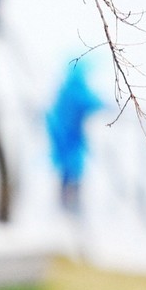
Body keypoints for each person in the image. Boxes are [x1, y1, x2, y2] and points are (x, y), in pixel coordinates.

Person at [45, 58, 104, 216]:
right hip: (71, 141)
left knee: (66, 173)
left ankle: (65, 208)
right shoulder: (76, 90)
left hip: (63, 139)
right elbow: (93, 102)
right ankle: (70, 209)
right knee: (73, 173)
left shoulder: (64, 90)